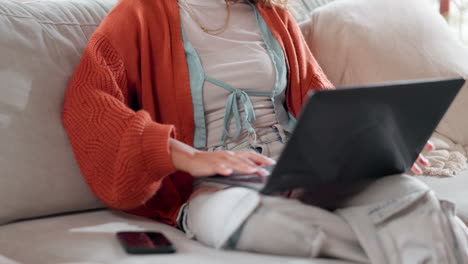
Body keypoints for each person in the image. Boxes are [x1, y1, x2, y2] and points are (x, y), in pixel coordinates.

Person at [62, 0, 468, 262]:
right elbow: (88, 104)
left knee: (412, 197)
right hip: (220, 186)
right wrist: (188, 157)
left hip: (304, 167)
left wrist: (378, 141)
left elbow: (318, 96)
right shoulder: (140, 13)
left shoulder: (274, 16)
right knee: (268, 225)